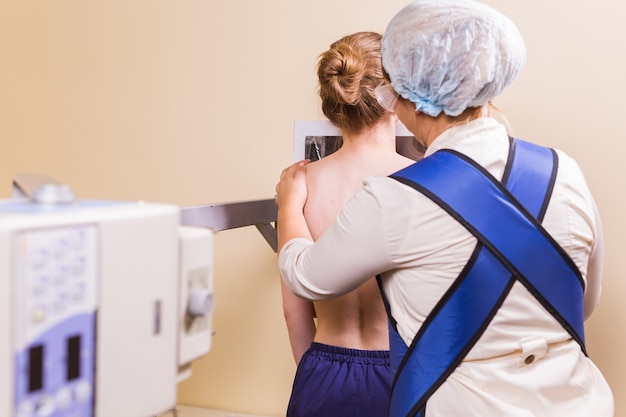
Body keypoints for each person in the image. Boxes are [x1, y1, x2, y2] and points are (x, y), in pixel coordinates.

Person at [276, 1, 614, 416]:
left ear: (411, 99)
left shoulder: (398, 198)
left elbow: (305, 279)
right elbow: (580, 302)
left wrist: (288, 205)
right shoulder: (565, 171)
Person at [280, 31, 417, 417]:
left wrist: (314, 376)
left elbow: (294, 309)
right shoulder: (424, 181)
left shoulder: (299, 185)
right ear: (397, 97)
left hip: (322, 369)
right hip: (399, 370)